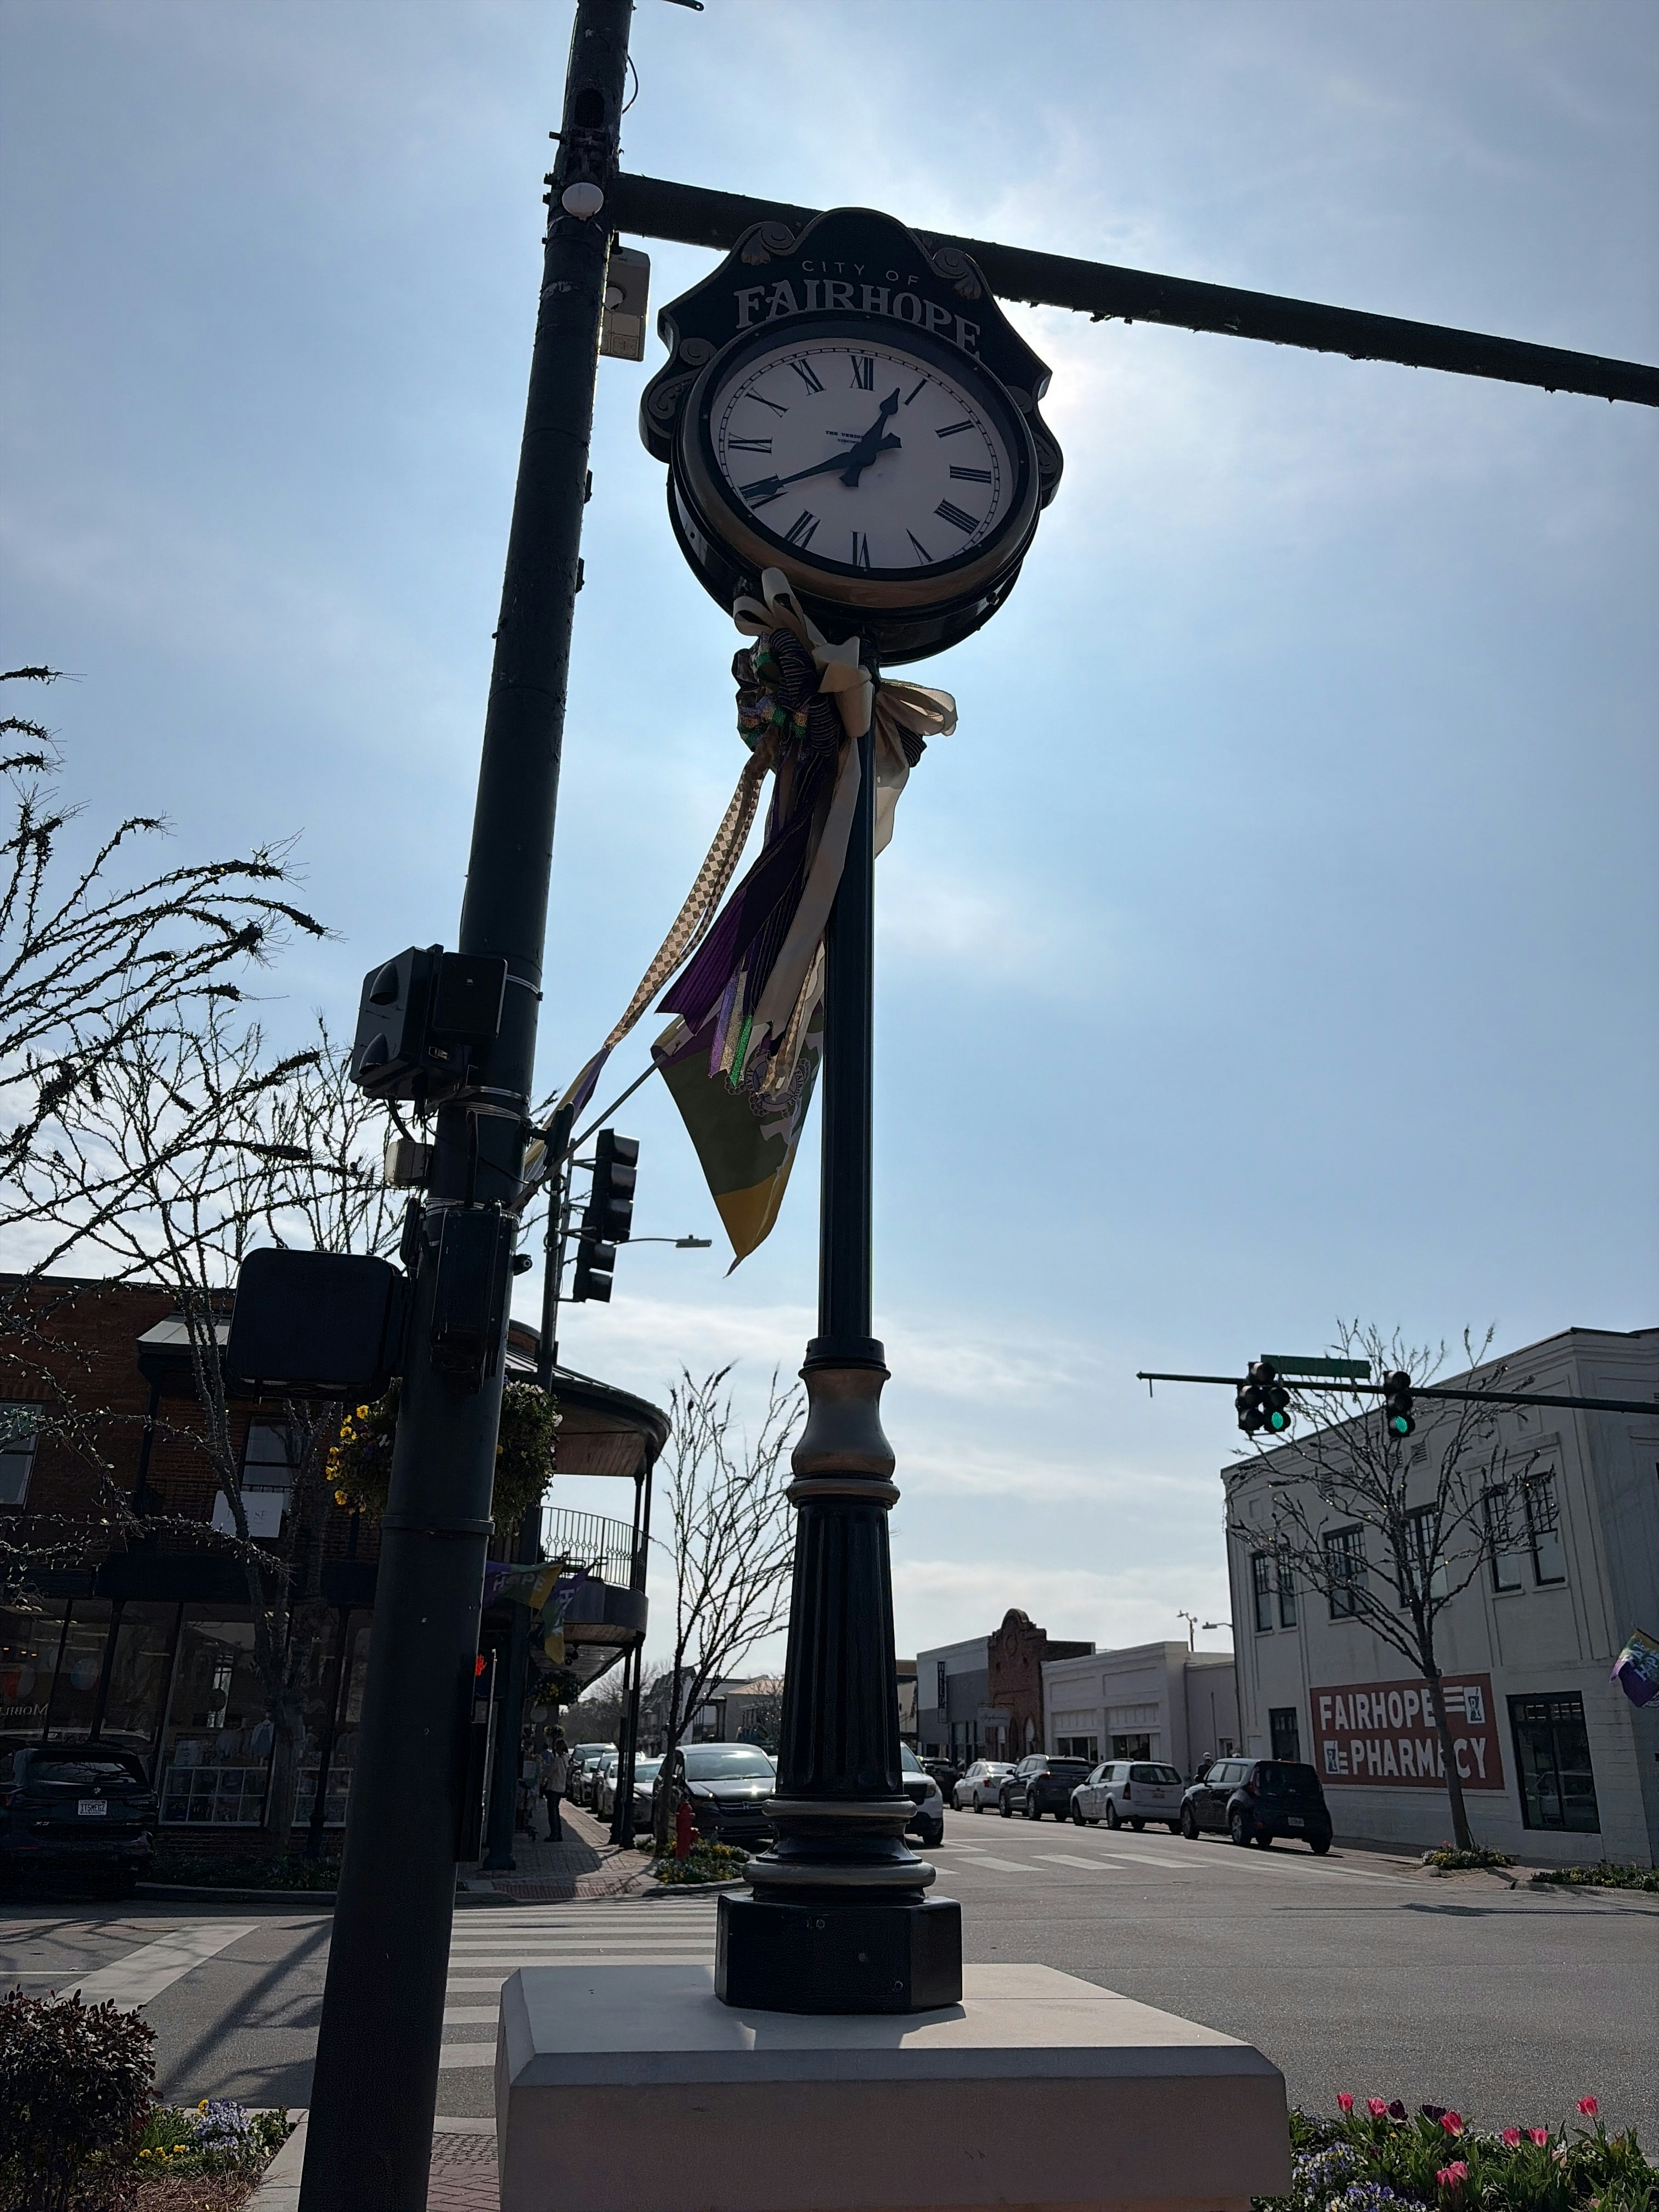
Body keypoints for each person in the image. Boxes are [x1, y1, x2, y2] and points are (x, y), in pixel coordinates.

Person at [540, 1737, 567, 1842]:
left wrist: (544, 1767)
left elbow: (549, 1773)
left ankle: (554, 1834)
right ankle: (558, 1834)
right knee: (556, 1810)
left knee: (552, 1812)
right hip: (561, 1788)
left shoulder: (557, 1760)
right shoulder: (565, 1759)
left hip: (553, 1788)